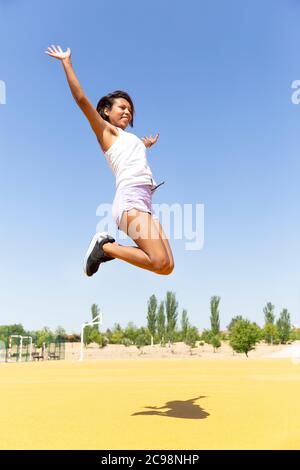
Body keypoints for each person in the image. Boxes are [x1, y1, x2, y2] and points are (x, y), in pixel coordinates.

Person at [45, 45, 174, 276]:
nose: (128, 112)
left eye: (131, 110)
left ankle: (107, 249)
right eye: (122, 107)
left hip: (146, 203)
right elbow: (82, 99)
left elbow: (128, 153)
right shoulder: (106, 132)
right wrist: (66, 62)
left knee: (166, 266)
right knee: (157, 259)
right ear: (106, 110)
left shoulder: (128, 138)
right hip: (130, 199)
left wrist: (145, 145)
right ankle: (104, 247)